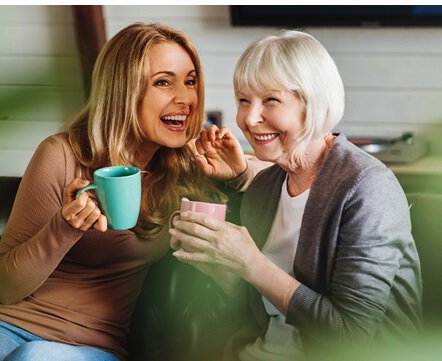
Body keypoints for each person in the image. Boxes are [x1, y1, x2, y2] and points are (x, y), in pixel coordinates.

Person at [0, 22, 233, 361]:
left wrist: (237, 176)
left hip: (92, 347)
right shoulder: (61, 155)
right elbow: (6, 288)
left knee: (36, 357)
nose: (184, 98)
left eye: (190, 81)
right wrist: (64, 228)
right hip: (2, 326)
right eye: (163, 82)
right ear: (124, 90)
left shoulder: (187, 170)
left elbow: (278, 174)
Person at [169, 30, 423, 361]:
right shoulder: (264, 188)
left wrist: (250, 263)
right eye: (244, 100)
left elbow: (352, 335)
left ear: (312, 102)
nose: (249, 117)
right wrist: (218, 263)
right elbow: (261, 304)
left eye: (270, 100)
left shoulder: (367, 187)